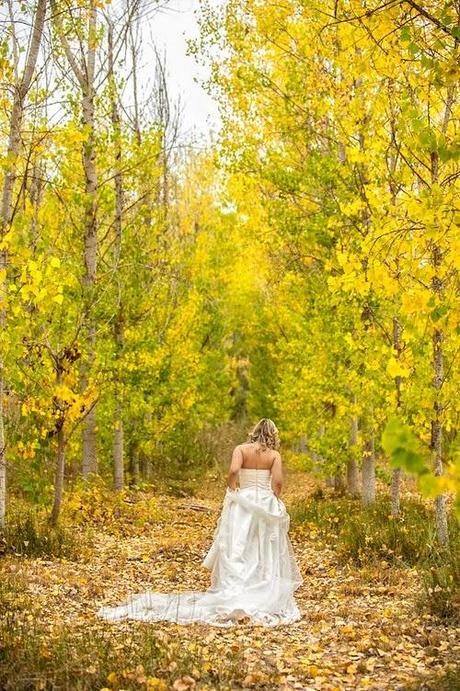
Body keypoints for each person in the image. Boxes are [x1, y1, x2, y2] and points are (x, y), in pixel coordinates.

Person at [97, 418, 303, 627]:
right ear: (273, 435)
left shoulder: (241, 449)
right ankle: (261, 585)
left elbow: (233, 472)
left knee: (238, 547)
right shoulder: (274, 455)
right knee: (262, 547)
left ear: (254, 432)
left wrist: (234, 490)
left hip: (244, 503)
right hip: (265, 504)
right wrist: (273, 497)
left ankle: (237, 587)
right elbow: (277, 482)